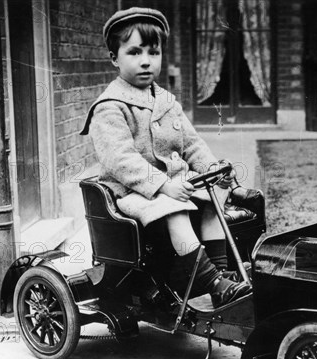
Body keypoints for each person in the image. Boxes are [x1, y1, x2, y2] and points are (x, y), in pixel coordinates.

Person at [80, 7, 251, 307]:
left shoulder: (166, 101)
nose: (146, 61)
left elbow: (192, 144)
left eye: (153, 52)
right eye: (134, 52)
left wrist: (212, 169)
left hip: (174, 184)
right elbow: (120, 160)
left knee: (213, 199)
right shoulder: (110, 106)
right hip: (134, 192)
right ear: (114, 58)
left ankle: (222, 278)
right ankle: (209, 280)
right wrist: (162, 185)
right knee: (174, 208)